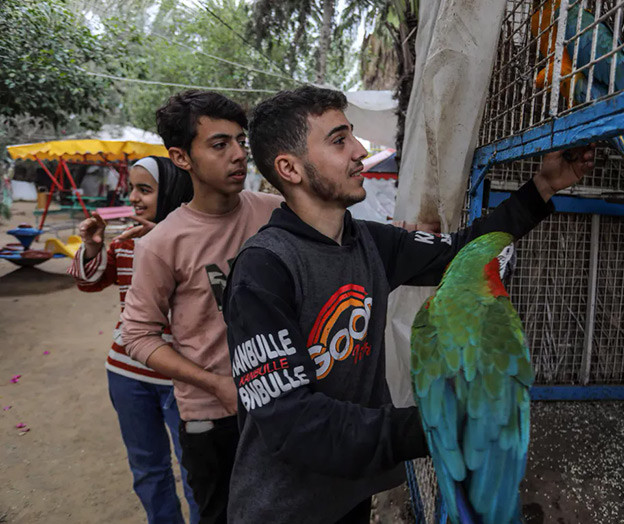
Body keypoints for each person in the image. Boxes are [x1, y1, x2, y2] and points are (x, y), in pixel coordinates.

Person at [222, 85, 595, 524]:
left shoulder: (370, 243)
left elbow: (462, 252)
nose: (360, 150)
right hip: (283, 508)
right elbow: (293, 422)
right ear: (290, 168)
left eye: (353, 136)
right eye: (339, 140)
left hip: (352, 492)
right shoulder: (263, 270)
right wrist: (442, 423)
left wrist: (544, 186)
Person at [121, 91, 283, 524]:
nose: (238, 155)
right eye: (219, 144)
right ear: (182, 157)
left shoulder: (276, 213)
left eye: (239, 142)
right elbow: (137, 336)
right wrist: (215, 384)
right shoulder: (162, 244)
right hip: (213, 419)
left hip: (282, 402)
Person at [68, 156, 199, 524]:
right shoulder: (126, 243)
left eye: (146, 189)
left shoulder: (196, 240)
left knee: (196, 470)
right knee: (147, 468)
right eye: (132, 190)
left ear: (173, 190)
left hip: (183, 377)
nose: (135, 198)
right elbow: (88, 282)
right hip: (127, 376)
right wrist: (93, 248)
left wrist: (159, 238)